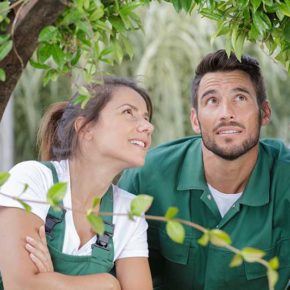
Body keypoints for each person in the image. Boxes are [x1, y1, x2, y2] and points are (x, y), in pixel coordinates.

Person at [118, 50, 290, 290]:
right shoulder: (146, 177)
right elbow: (110, 267)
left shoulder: (285, 181)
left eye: (240, 98)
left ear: (265, 112)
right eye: (212, 100)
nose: (226, 113)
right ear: (195, 120)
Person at [0, 77, 154, 289]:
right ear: (85, 129)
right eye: (128, 112)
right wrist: (108, 283)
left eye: (146, 118)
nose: (148, 126)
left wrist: (50, 280)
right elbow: (20, 285)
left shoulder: (129, 211)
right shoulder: (33, 179)